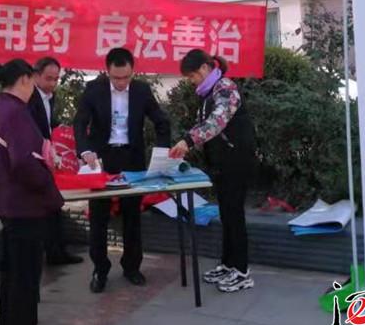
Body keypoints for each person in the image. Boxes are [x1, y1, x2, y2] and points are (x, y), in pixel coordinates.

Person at [0, 59, 63, 325]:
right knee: (25, 282)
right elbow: (25, 163)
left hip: (8, 202)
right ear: (26, 80)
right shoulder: (16, 113)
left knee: (12, 277)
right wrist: (48, 182)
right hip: (26, 206)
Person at [74, 48, 170, 293]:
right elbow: (80, 122)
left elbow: (161, 121)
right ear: (107, 72)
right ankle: (100, 269)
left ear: (132, 71)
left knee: (132, 215)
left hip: (131, 158)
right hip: (101, 160)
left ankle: (132, 267)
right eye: (116, 78)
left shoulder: (141, 90)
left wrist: (162, 152)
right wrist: (84, 151)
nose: (121, 82)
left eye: (126, 77)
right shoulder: (94, 90)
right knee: (99, 216)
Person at [169, 49, 256, 293]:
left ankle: (242, 271)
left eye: (192, 76)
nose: (192, 81)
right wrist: (186, 144)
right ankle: (228, 264)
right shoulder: (209, 92)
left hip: (236, 161)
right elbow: (203, 126)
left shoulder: (226, 87)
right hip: (222, 163)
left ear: (205, 68)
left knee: (234, 215)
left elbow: (216, 122)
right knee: (227, 214)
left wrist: (188, 141)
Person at [27, 56, 82, 266]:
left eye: (56, 79)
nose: (52, 83)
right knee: (45, 207)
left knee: (55, 205)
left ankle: (57, 251)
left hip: (50, 157)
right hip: (35, 158)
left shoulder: (51, 96)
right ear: (36, 76)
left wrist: (62, 130)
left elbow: (49, 123)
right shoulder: (29, 97)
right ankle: (51, 251)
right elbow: (32, 129)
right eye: (48, 79)